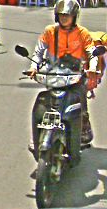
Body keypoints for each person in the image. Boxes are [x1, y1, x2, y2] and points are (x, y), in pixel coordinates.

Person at [27, 0, 99, 156]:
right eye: (61, 15)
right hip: (54, 74)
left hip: (75, 75)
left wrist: (92, 68)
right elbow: (38, 52)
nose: (64, 18)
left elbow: (92, 53)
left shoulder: (82, 33)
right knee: (45, 102)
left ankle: (83, 129)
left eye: (67, 15)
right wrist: (33, 67)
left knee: (80, 104)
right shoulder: (50, 31)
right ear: (56, 16)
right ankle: (37, 134)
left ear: (74, 16)